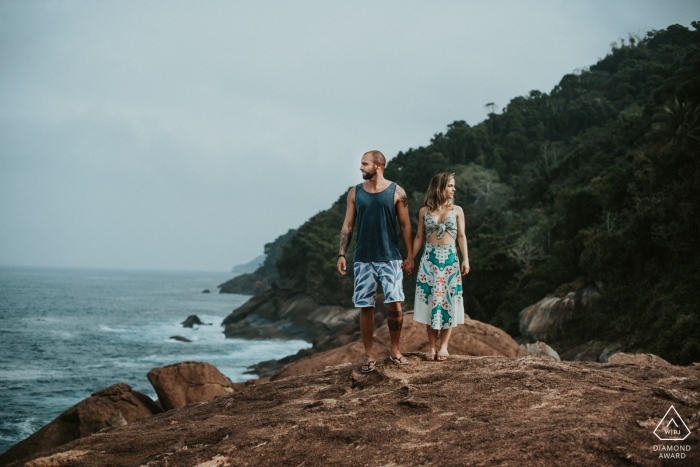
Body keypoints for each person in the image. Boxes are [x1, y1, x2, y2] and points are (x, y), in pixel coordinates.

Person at [337, 150, 414, 373]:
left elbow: (406, 225)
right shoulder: (355, 193)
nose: (360, 168)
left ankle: (395, 350)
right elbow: (347, 226)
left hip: (390, 256)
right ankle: (368, 355)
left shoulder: (397, 192)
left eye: (364, 164)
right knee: (365, 306)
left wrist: (409, 256)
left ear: (378, 165)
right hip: (363, 258)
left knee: (395, 304)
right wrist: (342, 254)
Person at [411, 172, 470, 361]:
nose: (454, 189)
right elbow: (419, 236)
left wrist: (465, 259)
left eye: (454, 186)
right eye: (450, 186)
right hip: (429, 260)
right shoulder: (424, 211)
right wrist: (411, 257)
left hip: (450, 260)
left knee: (448, 301)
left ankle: (444, 346)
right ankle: (432, 347)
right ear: (440, 187)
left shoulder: (458, 210)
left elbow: (461, 236)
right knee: (430, 302)